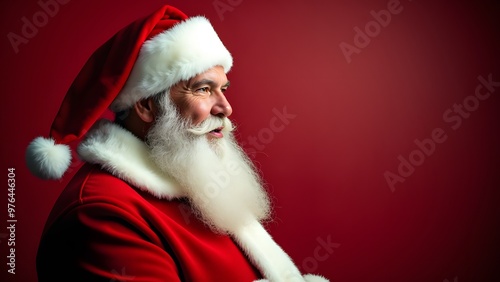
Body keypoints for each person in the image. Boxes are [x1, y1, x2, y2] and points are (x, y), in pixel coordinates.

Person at [26, 5, 329, 282]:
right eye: (202, 89)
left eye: (222, 88)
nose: (225, 108)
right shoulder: (101, 214)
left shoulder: (194, 183)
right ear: (146, 106)